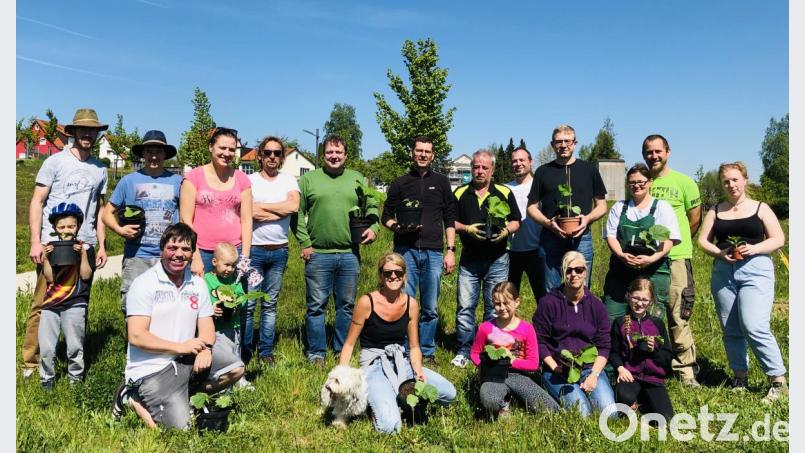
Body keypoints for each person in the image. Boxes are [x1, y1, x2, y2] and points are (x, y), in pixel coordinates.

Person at [111, 223, 245, 429]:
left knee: (236, 369)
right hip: (151, 368)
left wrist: (206, 349)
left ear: (192, 253)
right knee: (180, 430)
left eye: (185, 249)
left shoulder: (197, 284)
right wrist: (180, 347)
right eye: (173, 248)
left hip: (186, 359)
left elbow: (207, 325)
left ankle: (184, 394)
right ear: (162, 249)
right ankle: (130, 396)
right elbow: (136, 336)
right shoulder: (144, 283)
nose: (179, 254)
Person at [23, 108, 109, 379]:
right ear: (72, 132)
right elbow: (37, 201)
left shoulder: (100, 169)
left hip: (84, 245)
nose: (87, 134)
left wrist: (102, 246)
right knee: (43, 302)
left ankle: (74, 357)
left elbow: (100, 211)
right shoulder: (55, 162)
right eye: (82, 129)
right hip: (54, 244)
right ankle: (31, 362)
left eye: (92, 130)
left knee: (78, 303)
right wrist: (36, 241)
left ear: (96, 134)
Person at [697, 162, 788, 403]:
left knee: (754, 325)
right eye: (726, 181)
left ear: (745, 180)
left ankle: (778, 380)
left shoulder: (760, 208)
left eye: (735, 179)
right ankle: (740, 378)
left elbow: (779, 238)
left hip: (755, 270)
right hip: (723, 272)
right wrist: (719, 253)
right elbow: (703, 241)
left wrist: (755, 248)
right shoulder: (716, 210)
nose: (731, 185)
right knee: (731, 328)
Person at [338, 253, 456, 434]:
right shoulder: (366, 302)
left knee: (449, 393)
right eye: (387, 273)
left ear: (405, 275)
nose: (393, 276)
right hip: (374, 365)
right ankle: (376, 406)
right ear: (381, 275)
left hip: (401, 360)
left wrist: (418, 370)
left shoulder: (411, 304)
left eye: (398, 272)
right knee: (390, 427)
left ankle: (397, 400)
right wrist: (341, 376)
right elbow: (349, 344)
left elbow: (415, 346)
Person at [292, 134, 379, 365]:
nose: (334, 156)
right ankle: (316, 353)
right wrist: (304, 242)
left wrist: (374, 227)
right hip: (318, 253)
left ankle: (343, 349)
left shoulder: (357, 178)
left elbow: (371, 205)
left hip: (350, 253)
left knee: (346, 306)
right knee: (316, 307)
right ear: (323, 155)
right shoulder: (309, 180)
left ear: (346, 155)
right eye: (330, 152)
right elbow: (296, 212)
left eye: (338, 152)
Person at [382, 135, 457, 364]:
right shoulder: (400, 183)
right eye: (419, 150)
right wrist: (397, 227)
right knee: (406, 302)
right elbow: (386, 216)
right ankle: (406, 350)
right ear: (412, 153)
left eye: (427, 151)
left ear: (432, 155)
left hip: (434, 251)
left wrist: (450, 250)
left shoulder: (442, 182)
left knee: (430, 306)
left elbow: (450, 218)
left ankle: (427, 350)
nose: (423, 154)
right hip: (406, 251)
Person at [450, 149, 521, 368]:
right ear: (471, 168)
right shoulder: (461, 193)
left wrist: (506, 232)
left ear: (491, 170)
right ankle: (464, 349)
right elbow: (450, 222)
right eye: (476, 167)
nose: (479, 171)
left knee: (494, 306)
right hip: (469, 260)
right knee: (465, 307)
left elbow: (517, 220)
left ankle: (489, 349)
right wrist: (467, 229)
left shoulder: (503, 192)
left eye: (484, 167)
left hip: (497, 259)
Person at [642, 134, 701, 387]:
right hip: (649, 258)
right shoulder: (642, 182)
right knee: (648, 313)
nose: (653, 156)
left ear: (667, 152)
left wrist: (675, 243)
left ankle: (686, 370)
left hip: (676, 257)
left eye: (658, 151)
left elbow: (694, 219)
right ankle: (651, 364)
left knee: (678, 315)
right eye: (648, 152)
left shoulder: (684, 182)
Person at [103, 130, 182, 314]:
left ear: (165, 154)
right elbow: (107, 213)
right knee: (132, 305)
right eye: (149, 151)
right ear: (143, 154)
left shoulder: (178, 182)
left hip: (169, 256)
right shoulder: (128, 181)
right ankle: (134, 342)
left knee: (168, 307)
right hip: (137, 255)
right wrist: (119, 229)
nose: (154, 156)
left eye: (158, 151)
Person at [532, 251, 616, 418]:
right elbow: (540, 341)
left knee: (610, 414)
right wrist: (555, 368)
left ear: (585, 271)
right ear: (563, 273)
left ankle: (586, 390)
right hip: (558, 369)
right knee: (582, 413)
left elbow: (604, 345)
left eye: (579, 270)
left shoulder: (597, 306)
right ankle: (553, 390)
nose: (574, 274)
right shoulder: (548, 303)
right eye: (569, 270)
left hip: (589, 368)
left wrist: (594, 375)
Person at [527, 124, 608, 295]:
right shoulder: (543, 172)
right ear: (552, 145)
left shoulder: (589, 170)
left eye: (567, 141)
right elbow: (531, 208)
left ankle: (580, 320)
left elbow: (602, 206)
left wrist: (587, 219)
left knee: (581, 288)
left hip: (581, 237)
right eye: (559, 142)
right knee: (551, 289)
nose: (563, 145)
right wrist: (549, 224)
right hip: (550, 238)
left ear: (575, 143)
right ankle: (555, 321)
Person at [602, 163, 680, 320]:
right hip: (621, 269)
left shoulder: (662, 207)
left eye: (640, 182)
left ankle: (648, 344)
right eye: (632, 183)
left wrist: (651, 258)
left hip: (654, 270)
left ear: (650, 182)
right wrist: (621, 255)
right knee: (612, 316)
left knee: (651, 320)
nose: (636, 186)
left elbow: (670, 239)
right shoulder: (619, 207)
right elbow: (610, 235)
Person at [246, 136, 299, 366]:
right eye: (267, 153)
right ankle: (245, 351)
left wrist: (261, 209)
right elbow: (246, 211)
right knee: (248, 304)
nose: (272, 157)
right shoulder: (249, 181)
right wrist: (279, 212)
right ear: (259, 155)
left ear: (282, 157)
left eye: (277, 153)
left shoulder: (289, 181)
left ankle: (266, 351)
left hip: (279, 252)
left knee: (270, 304)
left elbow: (293, 206)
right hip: (254, 252)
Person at [469, 282, 559, 418]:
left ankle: (514, 397)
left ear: (516, 302)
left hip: (519, 375)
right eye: (497, 304)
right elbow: (475, 353)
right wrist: (484, 366)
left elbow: (533, 363)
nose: (502, 308)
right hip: (494, 376)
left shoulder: (527, 329)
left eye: (506, 303)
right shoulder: (485, 328)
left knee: (550, 409)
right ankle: (504, 404)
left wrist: (511, 361)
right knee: (490, 400)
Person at [179, 126, 252, 276]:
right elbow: (185, 220)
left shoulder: (242, 179)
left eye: (231, 149)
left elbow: (246, 220)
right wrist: (195, 255)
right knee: (201, 297)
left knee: (234, 298)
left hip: (233, 252)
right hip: (202, 251)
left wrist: (245, 257)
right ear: (211, 147)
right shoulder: (193, 177)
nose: (227, 153)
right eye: (222, 148)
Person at [38, 203, 95, 389]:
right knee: (46, 347)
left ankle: (75, 380)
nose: (67, 231)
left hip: (75, 302)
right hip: (51, 303)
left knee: (74, 347)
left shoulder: (86, 247)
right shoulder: (51, 247)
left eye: (71, 226)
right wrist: (46, 258)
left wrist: (83, 255)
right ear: (55, 228)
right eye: (61, 227)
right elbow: (49, 278)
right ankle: (47, 378)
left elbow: (86, 275)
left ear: (78, 225)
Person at [609, 278, 674, 423]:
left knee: (665, 420)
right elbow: (613, 351)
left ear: (651, 302)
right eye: (636, 298)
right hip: (630, 376)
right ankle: (634, 400)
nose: (639, 303)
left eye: (645, 300)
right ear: (628, 296)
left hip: (653, 378)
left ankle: (644, 401)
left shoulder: (657, 324)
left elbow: (668, 356)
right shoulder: (619, 323)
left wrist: (654, 350)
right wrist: (620, 368)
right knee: (624, 397)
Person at [205, 243, 253, 389]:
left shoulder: (235, 280)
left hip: (234, 325)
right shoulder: (207, 280)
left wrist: (237, 304)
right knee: (223, 353)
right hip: (217, 329)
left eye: (233, 266)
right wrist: (211, 308)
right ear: (214, 262)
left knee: (235, 349)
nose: (230, 269)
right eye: (226, 265)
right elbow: (203, 300)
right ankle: (223, 381)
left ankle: (238, 379)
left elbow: (242, 297)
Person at [505, 146, 544, 299]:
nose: (518, 163)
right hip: (511, 251)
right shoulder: (506, 188)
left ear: (530, 161)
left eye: (522, 160)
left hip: (537, 250)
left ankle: (544, 323)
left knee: (542, 295)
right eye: (514, 161)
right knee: (509, 296)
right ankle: (509, 323)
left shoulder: (540, 186)